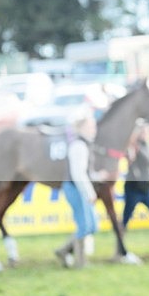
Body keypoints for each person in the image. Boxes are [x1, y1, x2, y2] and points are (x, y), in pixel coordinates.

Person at [54, 109, 99, 269]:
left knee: (93, 225)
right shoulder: (78, 145)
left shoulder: (83, 144)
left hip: (78, 187)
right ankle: (80, 262)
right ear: (82, 127)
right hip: (75, 188)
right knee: (85, 226)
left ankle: (63, 250)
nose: (94, 129)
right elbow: (78, 173)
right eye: (91, 126)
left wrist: (98, 176)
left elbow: (85, 171)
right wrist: (89, 193)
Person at [122, 120, 149, 240]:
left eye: (148, 131)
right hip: (133, 188)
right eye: (144, 131)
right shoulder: (133, 146)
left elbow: (146, 167)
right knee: (126, 218)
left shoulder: (147, 146)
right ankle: (119, 250)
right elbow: (129, 155)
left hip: (146, 188)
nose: (147, 134)